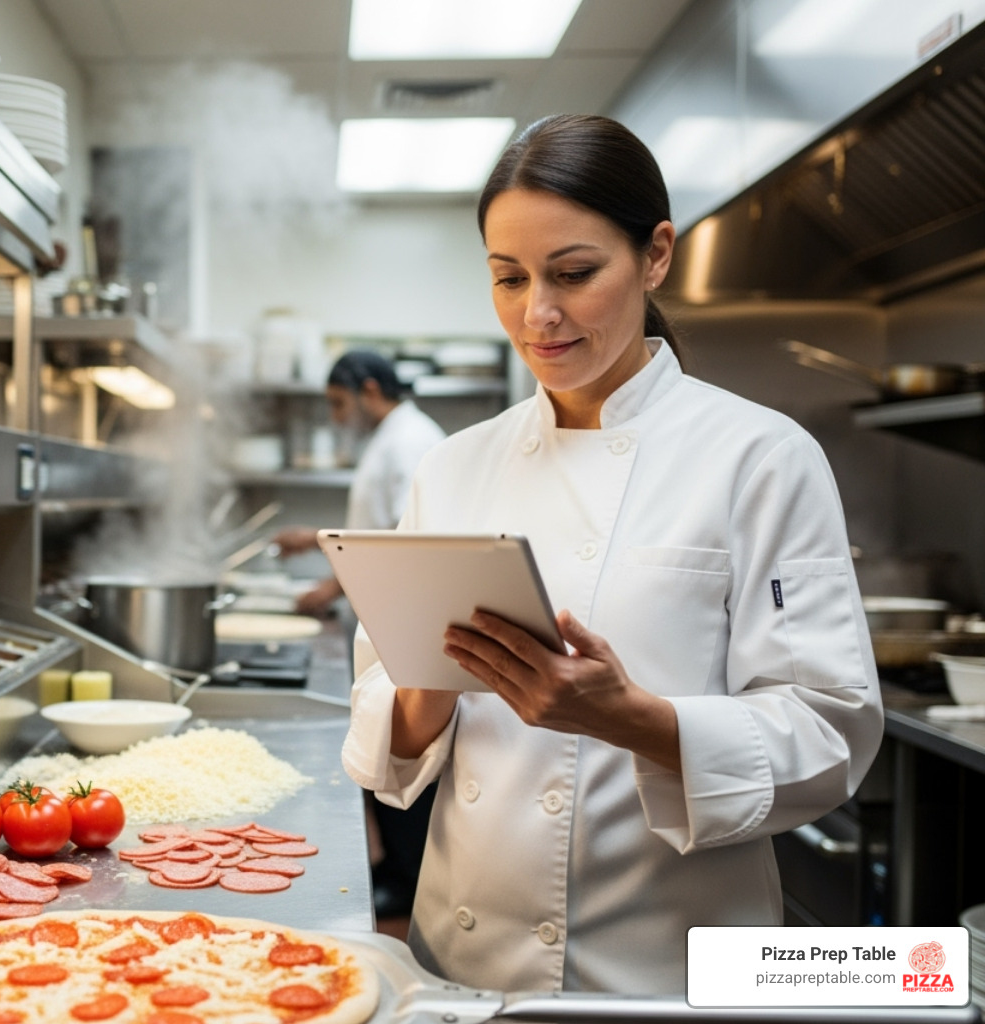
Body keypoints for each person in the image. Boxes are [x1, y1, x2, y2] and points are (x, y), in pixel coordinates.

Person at [340, 114, 883, 995]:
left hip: (667, 974)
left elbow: (829, 732)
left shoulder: (760, 457)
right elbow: (381, 727)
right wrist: (429, 686)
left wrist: (630, 717)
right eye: (508, 278)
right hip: (464, 969)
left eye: (574, 274)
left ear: (655, 255)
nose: (537, 314)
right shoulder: (453, 467)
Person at [272, 350, 445, 616]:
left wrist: (336, 586)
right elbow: (378, 528)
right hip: (386, 605)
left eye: (339, 403)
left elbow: (408, 541)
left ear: (370, 391)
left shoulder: (409, 441)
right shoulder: (391, 436)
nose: (336, 417)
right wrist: (316, 539)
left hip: (403, 609)